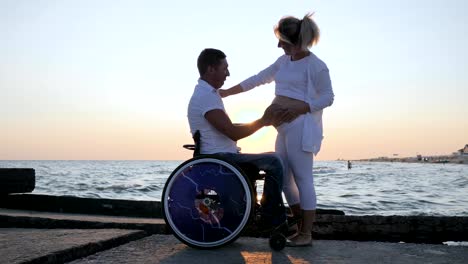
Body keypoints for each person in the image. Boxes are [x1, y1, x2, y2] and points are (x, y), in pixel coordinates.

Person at [219, 13, 334, 246]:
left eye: (282, 40)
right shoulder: (283, 62)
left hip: (301, 127)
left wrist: (303, 107)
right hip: (282, 129)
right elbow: (259, 78)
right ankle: (300, 227)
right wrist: (227, 92)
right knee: (282, 179)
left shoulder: (316, 66)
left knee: (303, 179)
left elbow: (328, 97)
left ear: (295, 41)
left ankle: (307, 233)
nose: (278, 44)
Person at [187, 48, 288, 231]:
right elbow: (232, 132)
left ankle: (266, 213)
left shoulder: (209, 94)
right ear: (211, 69)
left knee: (273, 158)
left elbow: (228, 127)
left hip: (221, 154)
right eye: (225, 68)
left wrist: (262, 122)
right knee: (274, 161)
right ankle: (271, 217)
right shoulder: (205, 97)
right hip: (219, 158)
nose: (228, 74)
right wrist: (263, 121)